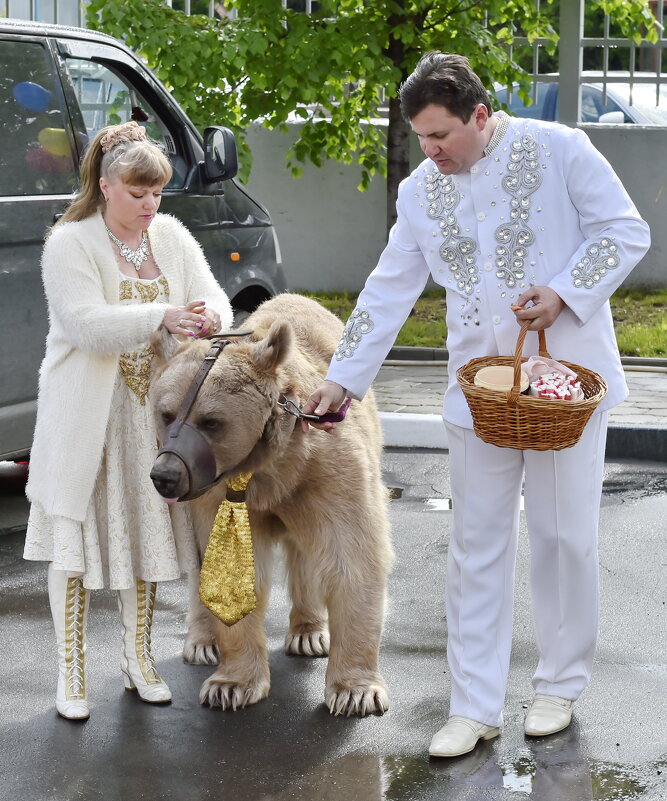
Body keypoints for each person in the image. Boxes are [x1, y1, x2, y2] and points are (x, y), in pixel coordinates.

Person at [303, 53, 650, 757]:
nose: (430, 151)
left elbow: (624, 229)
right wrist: (342, 378)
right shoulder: (419, 192)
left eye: (440, 135)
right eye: (421, 138)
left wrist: (563, 292)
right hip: (478, 395)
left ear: (480, 116)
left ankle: (558, 686)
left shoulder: (558, 148)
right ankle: (472, 705)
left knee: (563, 537)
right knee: (474, 546)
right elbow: (388, 286)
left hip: (565, 389)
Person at [23, 121, 233, 720]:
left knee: (146, 535)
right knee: (75, 542)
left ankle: (139, 660)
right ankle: (70, 673)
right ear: (105, 185)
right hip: (84, 415)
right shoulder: (69, 242)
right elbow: (83, 323)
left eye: (157, 193)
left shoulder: (171, 237)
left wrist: (208, 318)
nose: (150, 205)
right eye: (138, 193)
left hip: (152, 418)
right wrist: (161, 315)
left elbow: (217, 299)